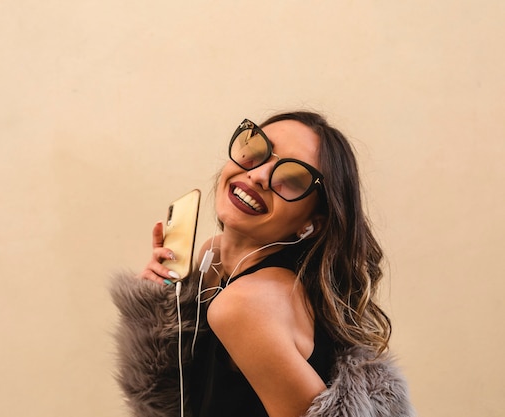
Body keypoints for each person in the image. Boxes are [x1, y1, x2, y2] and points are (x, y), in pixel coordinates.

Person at [110, 111, 414, 417]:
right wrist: (156, 308)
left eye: (292, 178)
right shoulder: (212, 258)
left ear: (312, 223)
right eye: (257, 150)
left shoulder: (246, 305)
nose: (258, 175)